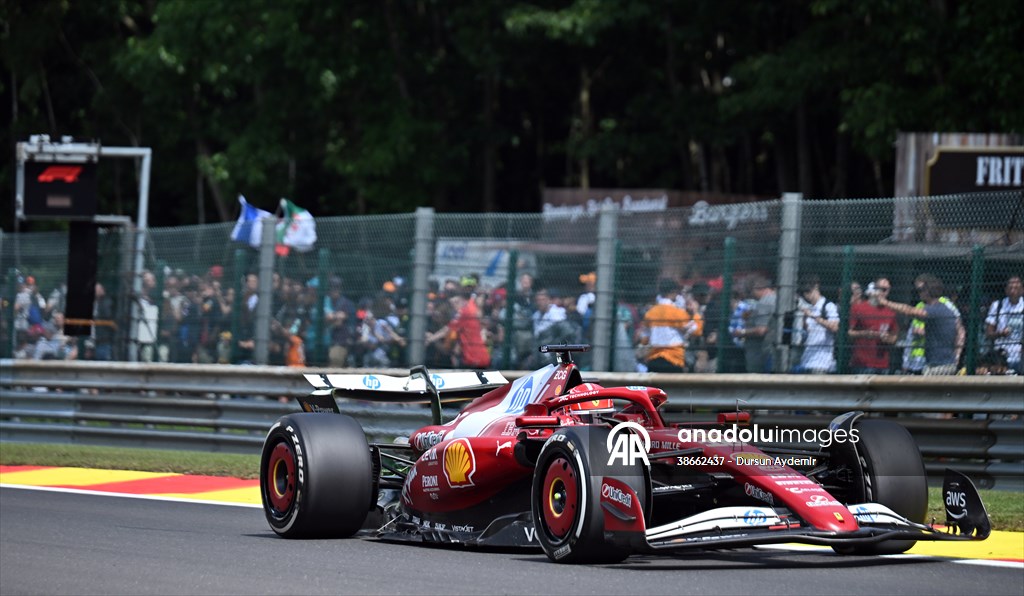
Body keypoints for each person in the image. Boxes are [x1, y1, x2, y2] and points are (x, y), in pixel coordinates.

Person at [879, 273, 964, 375]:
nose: (919, 294)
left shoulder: (935, 309)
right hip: (943, 363)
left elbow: (909, 311)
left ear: (929, 290)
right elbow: (960, 331)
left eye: (920, 290)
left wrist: (885, 302)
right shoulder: (945, 309)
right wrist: (956, 356)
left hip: (938, 366)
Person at [638, 279, 702, 373]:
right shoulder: (677, 313)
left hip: (654, 358)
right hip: (673, 358)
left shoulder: (650, 313)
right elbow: (696, 331)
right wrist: (696, 313)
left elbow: (644, 339)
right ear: (673, 292)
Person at [426, 291, 490, 369]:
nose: (454, 306)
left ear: (462, 300)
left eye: (456, 302)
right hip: (473, 357)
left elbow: (446, 330)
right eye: (452, 304)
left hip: (475, 358)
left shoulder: (464, 312)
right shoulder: (470, 309)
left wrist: (430, 339)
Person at [848, 278, 899, 374]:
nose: (885, 293)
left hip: (883, 364)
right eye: (883, 289)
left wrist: (888, 339)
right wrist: (865, 333)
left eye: (888, 290)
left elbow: (895, 336)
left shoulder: (890, 311)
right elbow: (848, 333)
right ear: (875, 289)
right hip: (861, 363)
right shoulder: (858, 308)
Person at [797, 276, 839, 374]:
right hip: (806, 360)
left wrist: (813, 317)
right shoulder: (808, 308)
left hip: (822, 362)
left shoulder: (828, 306)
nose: (806, 295)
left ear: (816, 288)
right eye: (804, 292)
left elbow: (834, 327)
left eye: (808, 291)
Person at [736, 276, 777, 373]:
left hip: (760, 355)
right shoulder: (777, 298)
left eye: (751, 291)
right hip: (771, 352)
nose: (751, 295)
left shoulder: (764, 302)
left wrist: (741, 332)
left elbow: (761, 330)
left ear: (759, 288)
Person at [984, 275, 1023, 374]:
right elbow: (988, 333)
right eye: (1010, 288)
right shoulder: (997, 306)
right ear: (1006, 290)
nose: (1013, 291)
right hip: (1000, 355)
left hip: (1020, 355)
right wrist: (1000, 333)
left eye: (1016, 288)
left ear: (1022, 290)